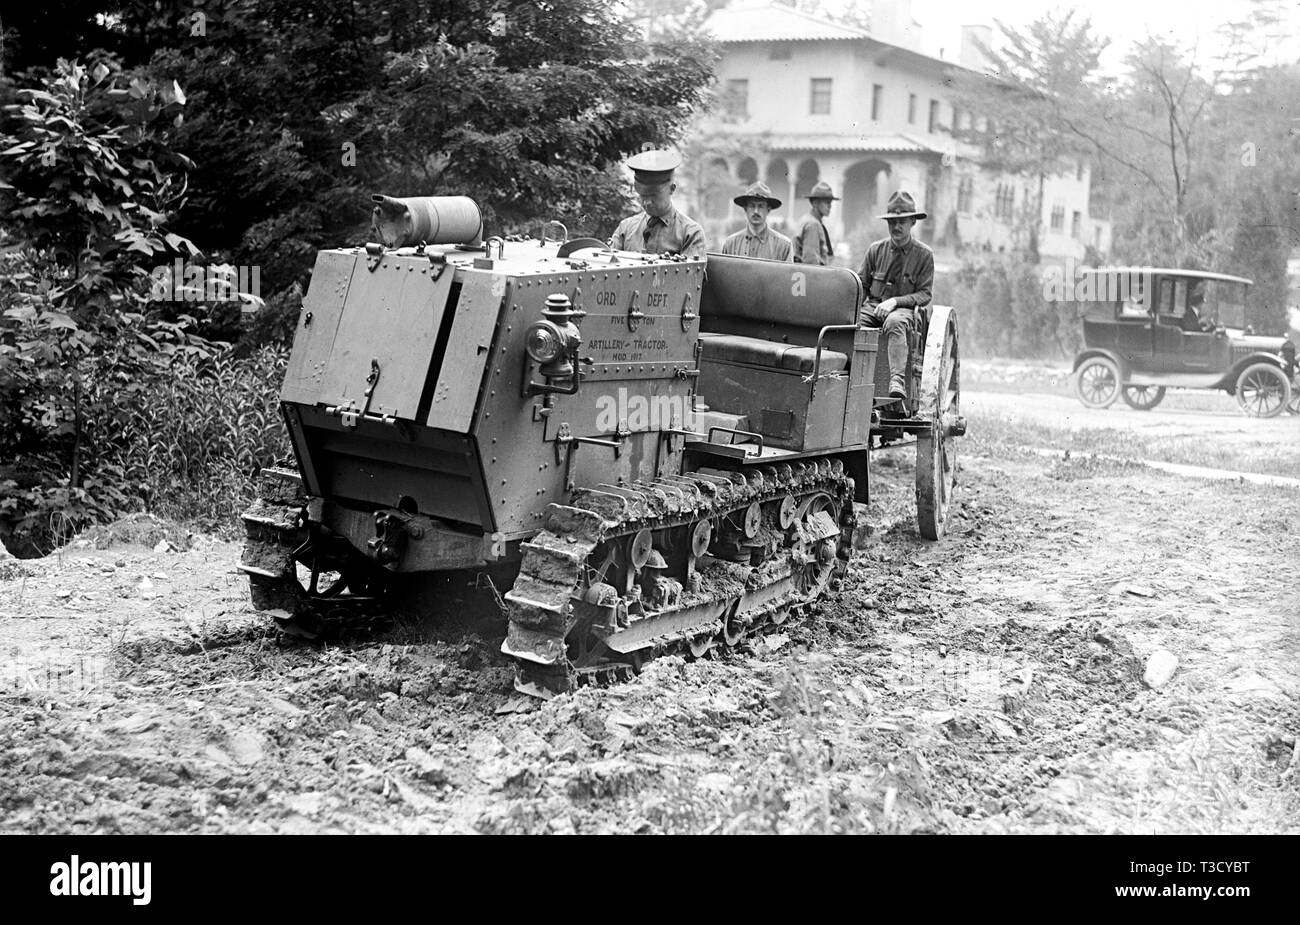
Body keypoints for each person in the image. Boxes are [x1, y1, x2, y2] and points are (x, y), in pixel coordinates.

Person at [858, 190, 934, 400]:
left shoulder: (924, 255)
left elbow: (925, 294)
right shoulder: (875, 250)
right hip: (874, 308)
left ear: (912, 222)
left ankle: (897, 381)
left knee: (894, 322)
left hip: (904, 312)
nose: (896, 227)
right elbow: (861, 286)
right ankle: (852, 377)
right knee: (855, 323)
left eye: (902, 222)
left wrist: (895, 302)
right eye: (892, 222)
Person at [608, 149, 706, 258]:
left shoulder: (690, 233)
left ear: (672, 189)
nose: (647, 202)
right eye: (642, 195)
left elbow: (693, 273)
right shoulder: (626, 229)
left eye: (654, 195)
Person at [719, 181, 793, 261]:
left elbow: (787, 273)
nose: (756, 211)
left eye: (761, 206)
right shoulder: (731, 244)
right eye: (752, 206)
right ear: (745, 209)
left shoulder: (783, 246)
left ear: (768, 209)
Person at [792, 181, 838, 265]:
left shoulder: (808, 220)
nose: (830, 206)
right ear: (815, 203)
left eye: (830, 203)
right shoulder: (813, 225)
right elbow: (811, 261)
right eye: (827, 202)